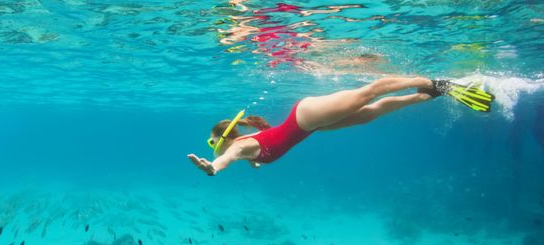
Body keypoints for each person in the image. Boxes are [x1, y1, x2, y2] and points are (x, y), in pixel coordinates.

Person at [187, 77, 494, 176]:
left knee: (368, 93)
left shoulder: (237, 148)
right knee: (370, 112)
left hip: (306, 117)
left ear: (224, 140)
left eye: (212, 143)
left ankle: (438, 83)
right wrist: (251, 161)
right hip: (311, 126)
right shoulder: (246, 149)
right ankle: (432, 94)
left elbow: (227, 159)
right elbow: (253, 157)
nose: (212, 148)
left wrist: (213, 167)